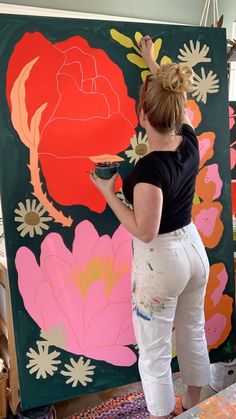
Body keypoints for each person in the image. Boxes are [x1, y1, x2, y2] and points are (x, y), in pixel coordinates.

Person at [90, 35, 211, 419]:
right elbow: (172, 102)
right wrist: (152, 62)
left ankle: (161, 414)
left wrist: (109, 194)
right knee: (192, 330)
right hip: (194, 251)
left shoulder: (148, 171)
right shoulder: (188, 140)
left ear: (142, 116)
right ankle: (194, 402)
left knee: (155, 348)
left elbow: (145, 230)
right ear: (177, 110)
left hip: (163, 262)